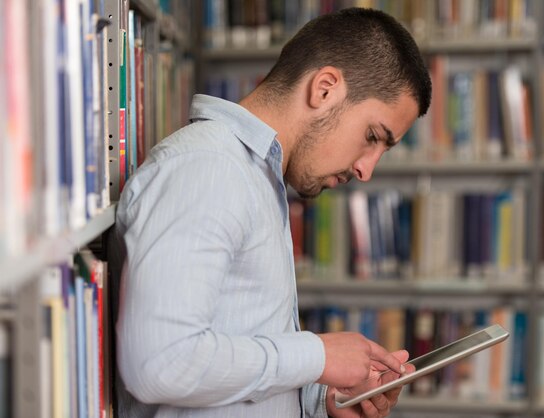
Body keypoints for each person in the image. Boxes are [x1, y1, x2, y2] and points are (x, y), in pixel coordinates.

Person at [114, 7, 431, 418]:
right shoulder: (208, 168)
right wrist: (316, 356)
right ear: (325, 89)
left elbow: (231, 354)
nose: (366, 170)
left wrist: (323, 401)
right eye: (372, 137)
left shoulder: (258, 178)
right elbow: (159, 363)